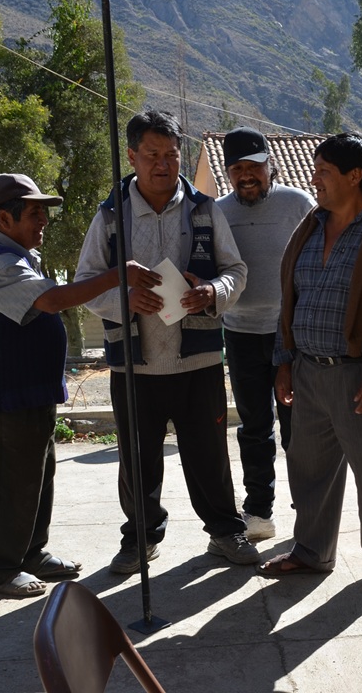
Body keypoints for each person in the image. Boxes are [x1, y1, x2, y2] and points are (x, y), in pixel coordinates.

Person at [75, 110, 259, 574]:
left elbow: (236, 271)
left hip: (198, 362)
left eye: (172, 154)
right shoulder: (110, 216)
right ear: (132, 156)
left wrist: (212, 292)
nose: (163, 164)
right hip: (134, 367)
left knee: (210, 455)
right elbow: (85, 284)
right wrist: (124, 300)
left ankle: (225, 531)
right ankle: (140, 538)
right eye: (152, 155)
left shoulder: (205, 210)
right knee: (138, 461)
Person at [0, 173, 161, 597]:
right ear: (5, 218)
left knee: (36, 477)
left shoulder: (19, 257)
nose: (43, 221)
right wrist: (117, 275)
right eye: (34, 213)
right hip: (8, 394)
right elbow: (51, 301)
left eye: (44, 213)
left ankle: (31, 552)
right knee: (10, 483)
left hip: (30, 391)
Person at [258, 132, 362, 591]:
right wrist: (284, 363)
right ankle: (312, 551)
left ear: (354, 176)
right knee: (309, 467)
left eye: (324, 171)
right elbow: (289, 302)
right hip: (308, 371)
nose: (315, 180)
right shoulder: (308, 231)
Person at [216, 127, 315, 542]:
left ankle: (311, 511)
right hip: (239, 334)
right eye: (237, 169)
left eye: (254, 167)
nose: (246, 175)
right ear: (228, 172)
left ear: (269, 165)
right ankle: (258, 512)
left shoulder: (298, 204)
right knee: (254, 428)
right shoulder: (217, 211)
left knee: (300, 428)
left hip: (290, 335)